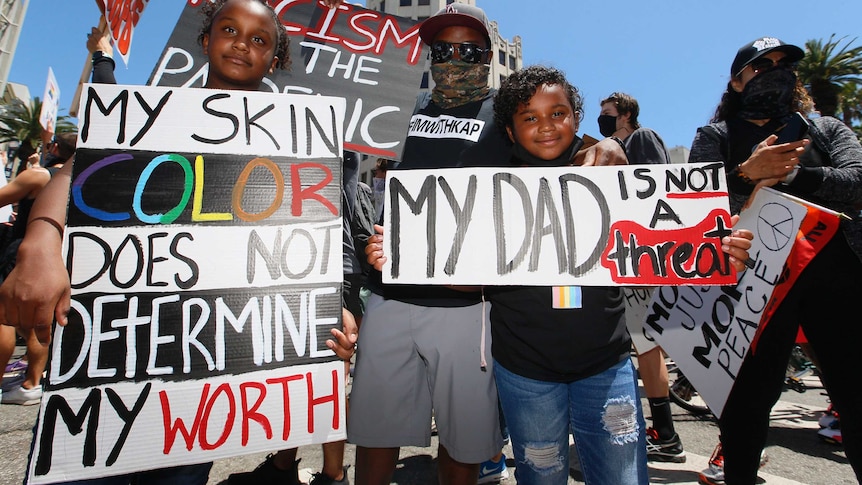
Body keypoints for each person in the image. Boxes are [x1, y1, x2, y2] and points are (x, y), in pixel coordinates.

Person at [0, 1, 356, 485]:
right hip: (109, 369)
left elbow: (304, 246)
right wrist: (40, 242)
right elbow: (76, 172)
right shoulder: (146, 114)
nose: (240, 43)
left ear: (275, 60)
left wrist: (327, 308)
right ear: (205, 39)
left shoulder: (296, 142)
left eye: (259, 39)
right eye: (229, 29)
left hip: (198, 396)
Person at [347, 6, 631, 485]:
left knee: (464, 441)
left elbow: (557, 142)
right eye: (443, 50)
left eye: (469, 50)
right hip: (391, 291)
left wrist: (608, 147)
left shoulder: (504, 113)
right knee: (376, 433)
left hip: (467, 304)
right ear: (428, 55)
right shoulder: (399, 108)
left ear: (487, 56)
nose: (455, 59)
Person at [688, 36, 862, 485]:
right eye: (761, 65)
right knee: (747, 406)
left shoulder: (825, 129)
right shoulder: (716, 137)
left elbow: (858, 180)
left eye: (784, 63)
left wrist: (793, 175)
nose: (775, 69)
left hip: (839, 285)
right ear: (736, 81)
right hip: (757, 294)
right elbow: (694, 207)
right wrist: (747, 174)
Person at [598, 92, 686, 463]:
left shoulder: (641, 138)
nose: (602, 120)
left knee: (649, 347)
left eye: (607, 114)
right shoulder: (616, 145)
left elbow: (653, 190)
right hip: (633, 259)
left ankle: (666, 434)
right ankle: (663, 432)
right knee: (646, 347)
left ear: (626, 114)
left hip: (645, 259)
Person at [0, 132, 75, 405]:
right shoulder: (77, 173)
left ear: (55, 147)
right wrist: (40, 241)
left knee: (13, 320)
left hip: (24, 253)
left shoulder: (38, 175)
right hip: (46, 255)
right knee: (36, 322)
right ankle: (32, 381)